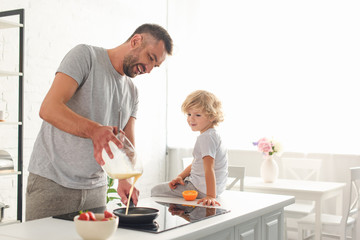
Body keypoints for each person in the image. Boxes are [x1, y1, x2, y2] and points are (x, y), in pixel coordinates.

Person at [26, 24, 173, 221]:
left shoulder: (132, 91)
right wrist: (95, 130)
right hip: (53, 182)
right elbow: (49, 108)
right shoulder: (86, 57)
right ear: (136, 41)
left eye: (155, 66)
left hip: (95, 190)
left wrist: (125, 179)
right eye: (150, 58)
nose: (148, 70)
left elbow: (127, 143)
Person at [151, 90, 228, 206]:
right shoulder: (213, 135)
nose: (191, 119)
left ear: (212, 116)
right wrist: (180, 176)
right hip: (214, 189)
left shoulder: (205, 138)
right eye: (189, 114)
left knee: (155, 190)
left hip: (200, 189)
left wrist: (210, 196)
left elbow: (209, 168)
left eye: (197, 115)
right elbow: (198, 163)